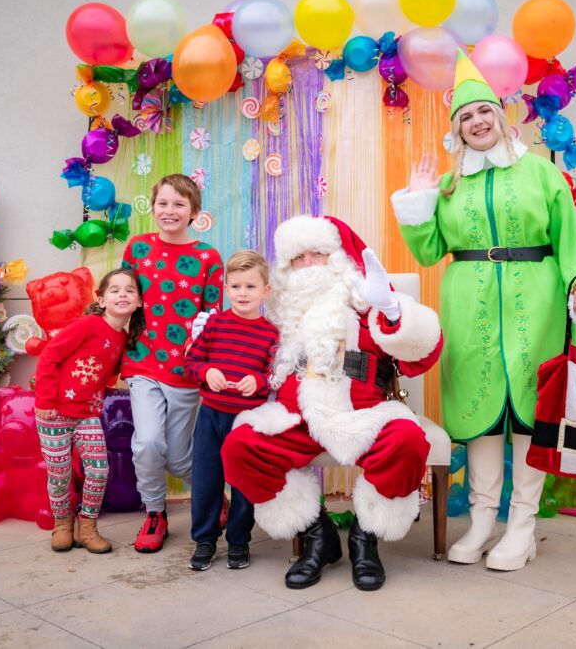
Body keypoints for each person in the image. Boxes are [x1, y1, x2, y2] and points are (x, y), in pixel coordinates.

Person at [390, 50, 576, 571]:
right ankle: (483, 520)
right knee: (482, 414)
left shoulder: (542, 174)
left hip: (538, 300)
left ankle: (522, 525)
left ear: (500, 116)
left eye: (483, 112)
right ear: (457, 129)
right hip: (470, 305)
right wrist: (419, 203)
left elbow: (569, 241)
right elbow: (427, 252)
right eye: (465, 116)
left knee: (530, 410)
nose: (476, 122)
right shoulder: (450, 183)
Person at [218, 215, 443, 591]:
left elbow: (422, 356)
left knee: (407, 439)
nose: (306, 264)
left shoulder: (369, 302)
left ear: (338, 257)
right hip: (296, 418)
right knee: (239, 446)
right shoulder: (281, 313)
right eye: (297, 258)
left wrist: (391, 312)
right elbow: (245, 345)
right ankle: (317, 536)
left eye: (316, 254)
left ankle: (364, 539)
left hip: (363, 415)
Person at [121, 174, 224, 553]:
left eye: (179, 204)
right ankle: (154, 513)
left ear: (194, 212)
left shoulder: (207, 257)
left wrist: (210, 367)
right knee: (147, 443)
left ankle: (214, 498)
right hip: (142, 363)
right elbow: (123, 298)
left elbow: (212, 317)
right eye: (163, 203)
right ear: (153, 207)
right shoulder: (137, 249)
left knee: (180, 459)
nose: (169, 211)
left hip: (185, 371)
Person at [34, 268, 144, 553]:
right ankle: (62, 525)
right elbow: (49, 357)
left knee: (98, 471)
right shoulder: (87, 325)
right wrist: (45, 401)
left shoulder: (123, 339)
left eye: (130, 290)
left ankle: (88, 527)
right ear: (101, 298)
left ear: (140, 302)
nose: (123, 294)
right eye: (115, 290)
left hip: (87, 414)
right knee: (58, 474)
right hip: (55, 411)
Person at [183, 250, 279, 571]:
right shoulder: (214, 324)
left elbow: (275, 374)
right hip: (211, 416)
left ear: (265, 291)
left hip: (248, 422)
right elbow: (192, 362)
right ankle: (205, 540)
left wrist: (259, 381)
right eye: (235, 286)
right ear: (225, 287)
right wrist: (206, 371)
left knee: (243, 484)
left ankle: (239, 541)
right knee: (206, 482)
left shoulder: (270, 333)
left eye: (250, 287)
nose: (242, 294)